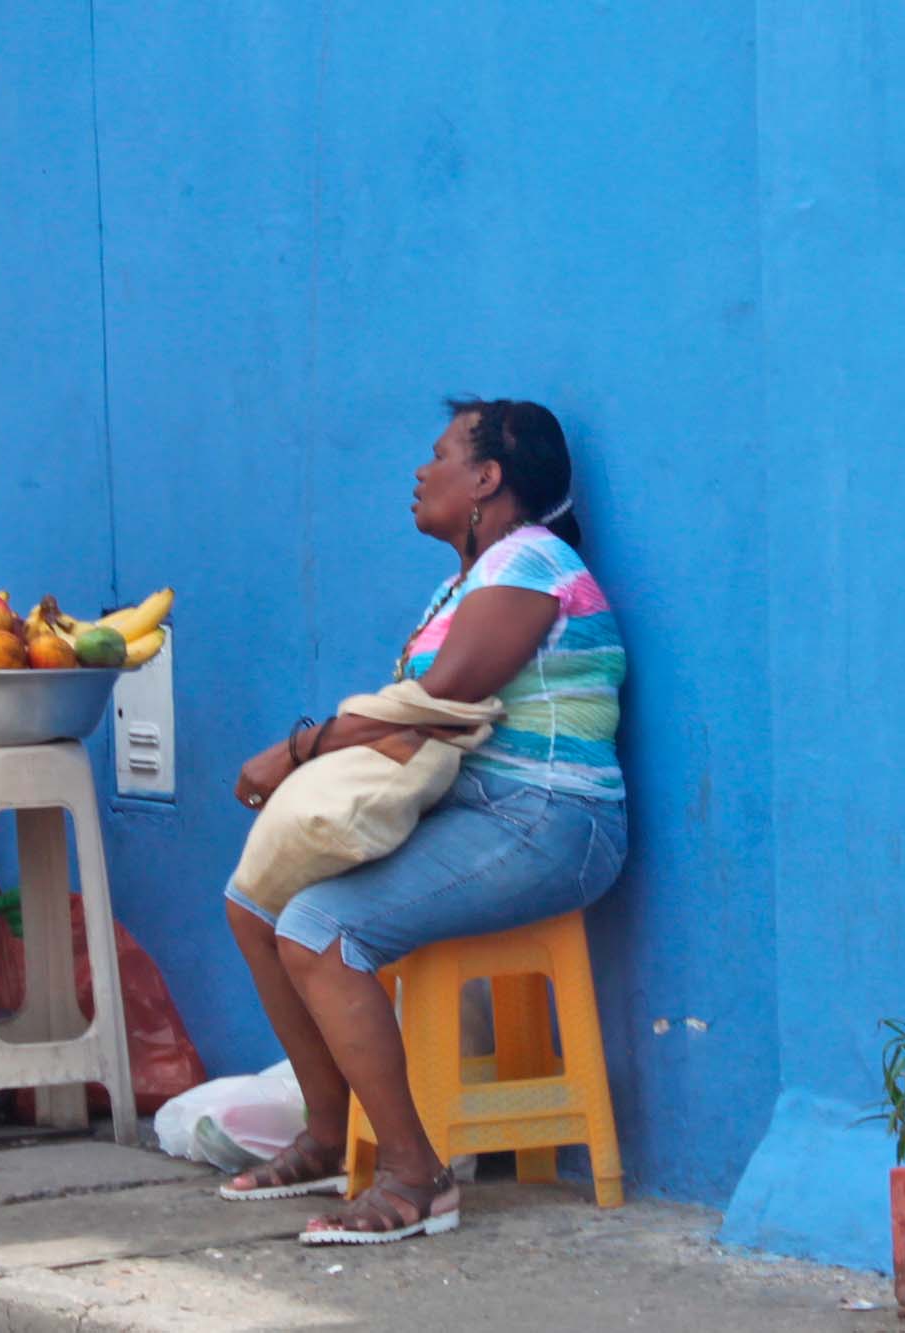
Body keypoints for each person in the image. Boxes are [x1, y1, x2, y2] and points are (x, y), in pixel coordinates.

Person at [220, 398, 628, 1244]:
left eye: (440, 454)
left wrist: (295, 750)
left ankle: (415, 1175)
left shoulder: (533, 562)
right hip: (475, 812)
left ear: (487, 478)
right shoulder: (465, 582)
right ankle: (329, 1135)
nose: (421, 469)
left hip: (551, 819)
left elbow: (441, 701)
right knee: (257, 904)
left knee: (322, 929)